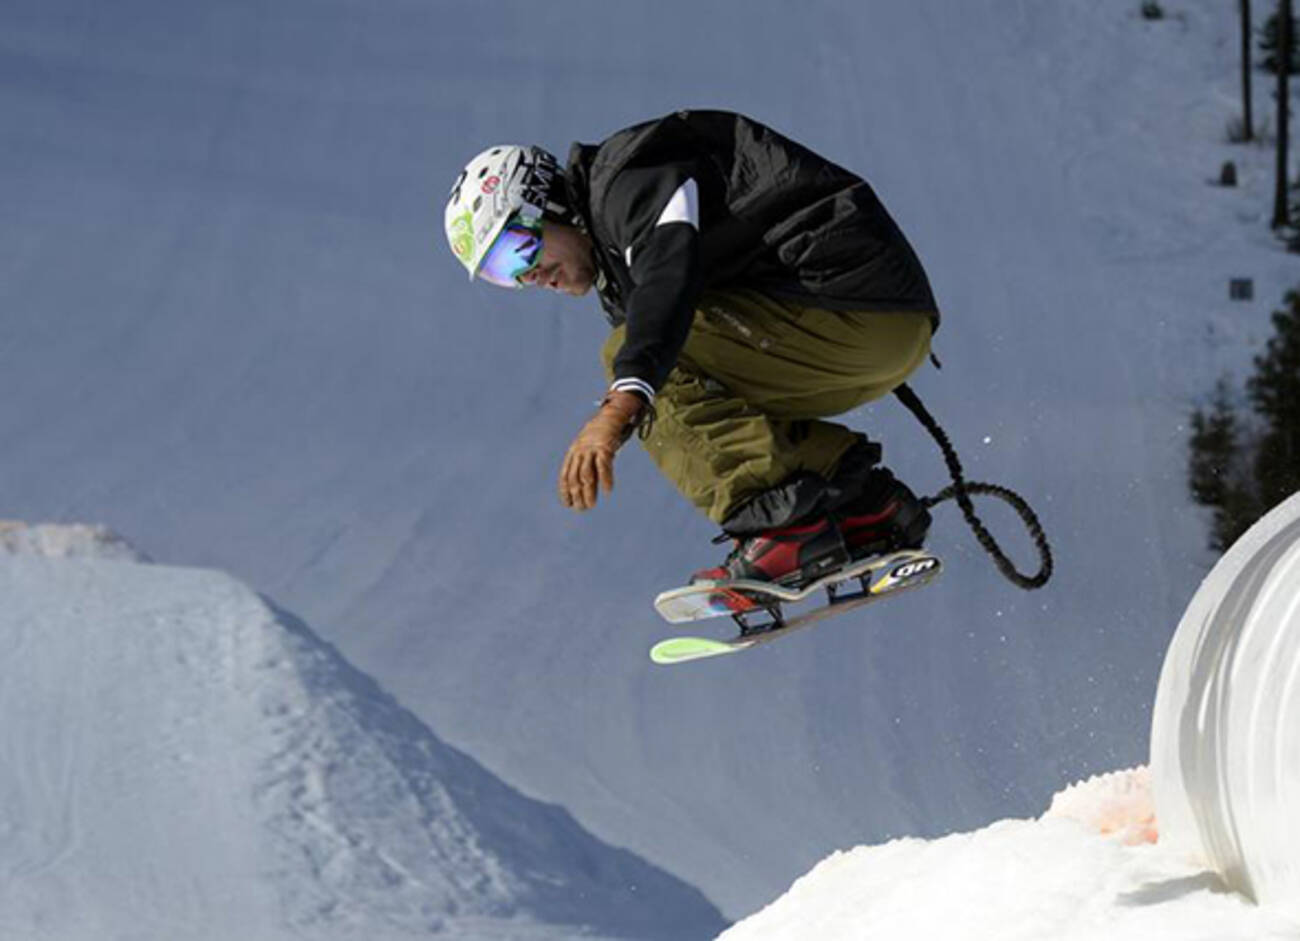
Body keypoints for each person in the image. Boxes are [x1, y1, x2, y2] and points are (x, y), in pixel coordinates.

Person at [444, 110, 936, 588]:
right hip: (860, 332)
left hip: (852, 306)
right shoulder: (617, 264)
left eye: (516, 249)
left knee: (637, 358)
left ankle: (786, 528)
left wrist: (620, 405)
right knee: (664, 371)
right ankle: (863, 504)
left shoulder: (626, 183)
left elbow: (668, 277)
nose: (527, 277)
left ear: (547, 203)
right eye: (501, 275)